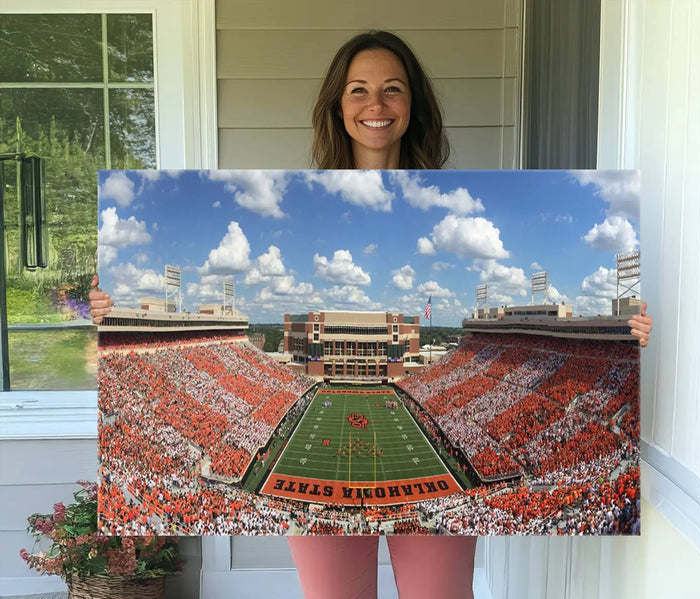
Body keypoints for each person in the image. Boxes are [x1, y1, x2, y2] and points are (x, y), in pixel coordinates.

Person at [90, 30, 653, 599]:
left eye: (393, 89)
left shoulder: (458, 193)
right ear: (338, 105)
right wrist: (108, 309)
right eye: (358, 90)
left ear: (413, 105)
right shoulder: (301, 190)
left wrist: (624, 338)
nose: (375, 105)